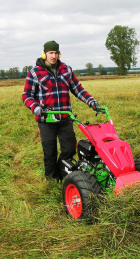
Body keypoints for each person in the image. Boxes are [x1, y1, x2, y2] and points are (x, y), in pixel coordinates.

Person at [22, 40, 100, 181]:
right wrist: (35, 107)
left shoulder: (67, 70)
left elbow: (78, 89)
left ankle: (61, 173)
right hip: (46, 120)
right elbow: (26, 96)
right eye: (50, 53)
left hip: (65, 118)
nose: (53, 56)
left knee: (70, 149)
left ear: (59, 54)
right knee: (50, 153)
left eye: (56, 53)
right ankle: (51, 180)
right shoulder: (34, 73)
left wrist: (91, 101)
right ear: (44, 54)